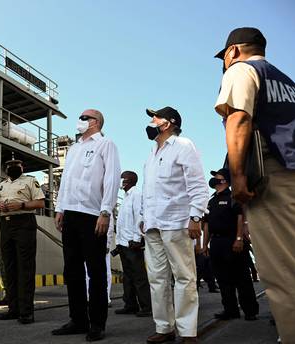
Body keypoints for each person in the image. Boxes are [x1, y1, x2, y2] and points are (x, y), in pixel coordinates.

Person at [214, 27, 295, 343]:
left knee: (283, 274)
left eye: (224, 57)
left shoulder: (241, 70)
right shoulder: (286, 81)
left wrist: (238, 179)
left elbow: (239, 119)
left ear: (233, 51)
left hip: (273, 177)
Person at [141, 107, 209, 344]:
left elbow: (198, 184)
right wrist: (144, 216)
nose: (151, 121)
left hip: (176, 221)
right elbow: (149, 190)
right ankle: (164, 327)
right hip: (153, 224)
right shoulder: (151, 153)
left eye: (155, 117)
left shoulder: (183, 145)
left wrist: (196, 217)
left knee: (184, 277)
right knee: (157, 278)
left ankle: (188, 331)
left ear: (168, 123)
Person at [52, 109, 121, 342]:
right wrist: (60, 208)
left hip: (93, 215)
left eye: (84, 117)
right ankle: (78, 320)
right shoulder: (73, 149)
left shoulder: (106, 144)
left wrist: (106, 211)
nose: (79, 120)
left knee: (96, 271)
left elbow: (111, 178)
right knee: (72, 270)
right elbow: (66, 181)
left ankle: (97, 324)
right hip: (71, 214)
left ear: (95, 122)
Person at [0, 156, 45, 324]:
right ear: (5, 169)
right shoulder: (1, 185)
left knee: (25, 268)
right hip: (5, 225)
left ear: (22, 167)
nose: (13, 167)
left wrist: (21, 205)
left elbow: (41, 203)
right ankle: (13, 309)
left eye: (16, 165)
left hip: (24, 224)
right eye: (9, 165)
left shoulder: (30, 181)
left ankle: (26, 312)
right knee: (9, 267)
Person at [203, 168, 259, 321]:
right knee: (223, 279)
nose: (214, 179)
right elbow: (207, 225)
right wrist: (205, 245)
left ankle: (250, 311)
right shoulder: (212, 200)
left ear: (225, 180)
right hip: (217, 243)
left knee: (241, 278)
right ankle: (230, 310)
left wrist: (239, 239)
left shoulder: (234, 197)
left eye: (217, 177)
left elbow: (240, 217)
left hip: (232, 241)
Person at [114, 171, 152, 317]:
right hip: (124, 243)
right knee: (128, 276)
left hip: (132, 243)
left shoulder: (136, 195)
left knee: (139, 276)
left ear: (129, 180)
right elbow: (123, 223)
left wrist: (137, 239)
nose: (120, 181)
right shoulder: (126, 197)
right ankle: (130, 305)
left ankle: (146, 306)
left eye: (122, 178)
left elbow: (140, 216)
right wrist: (118, 242)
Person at [85, 214, 115, 307]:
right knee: (87, 271)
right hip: (89, 241)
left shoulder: (105, 207)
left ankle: (106, 298)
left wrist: (107, 243)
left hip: (102, 240)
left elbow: (110, 226)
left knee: (105, 271)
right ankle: (89, 297)